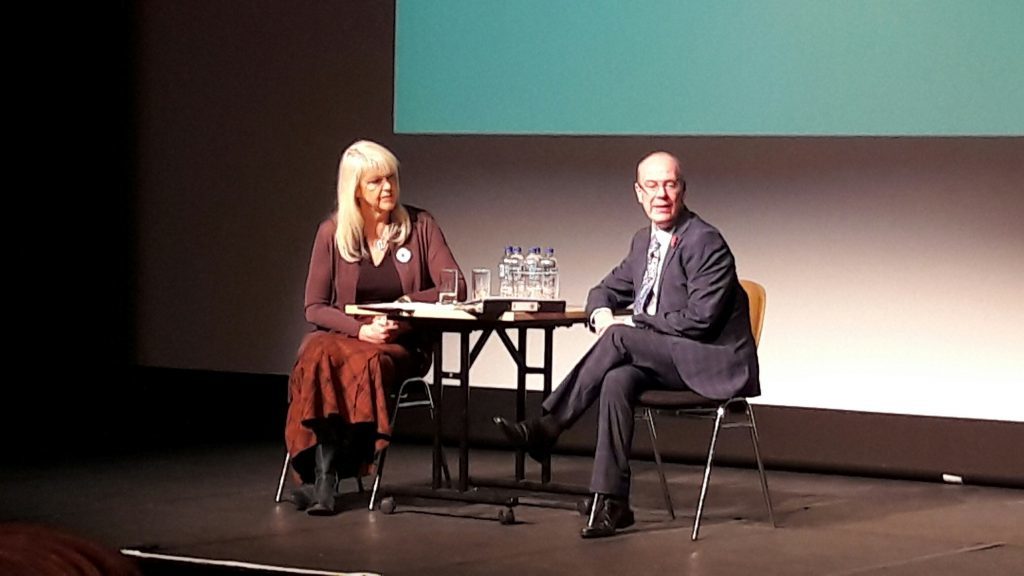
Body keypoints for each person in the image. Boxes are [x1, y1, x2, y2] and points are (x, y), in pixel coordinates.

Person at [494, 151, 759, 538]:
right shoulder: (642, 242)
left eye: (669, 185)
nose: (661, 195)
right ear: (638, 193)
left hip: (711, 361)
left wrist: (631, 321)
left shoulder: (706, 242)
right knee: (617, 380)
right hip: (667, 357)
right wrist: (600, 313)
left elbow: (700, 321)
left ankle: (548, 427)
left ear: (683, 189)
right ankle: (612, 503)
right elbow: (603, 290)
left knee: (621, 337)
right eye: (651, 186)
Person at [286, 140, 465, 516]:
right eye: (376, 182)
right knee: (319, 351)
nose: (388, 188)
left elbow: (455, 286)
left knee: (331, 357)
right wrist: (359, 330)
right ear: (355, 189)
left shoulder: (420, 226)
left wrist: (405, 308)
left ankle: (322, 480)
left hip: (400, 346)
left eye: (392, 179)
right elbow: (314, 307)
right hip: (348, 339)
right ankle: (326, 476)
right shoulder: (331, 233)